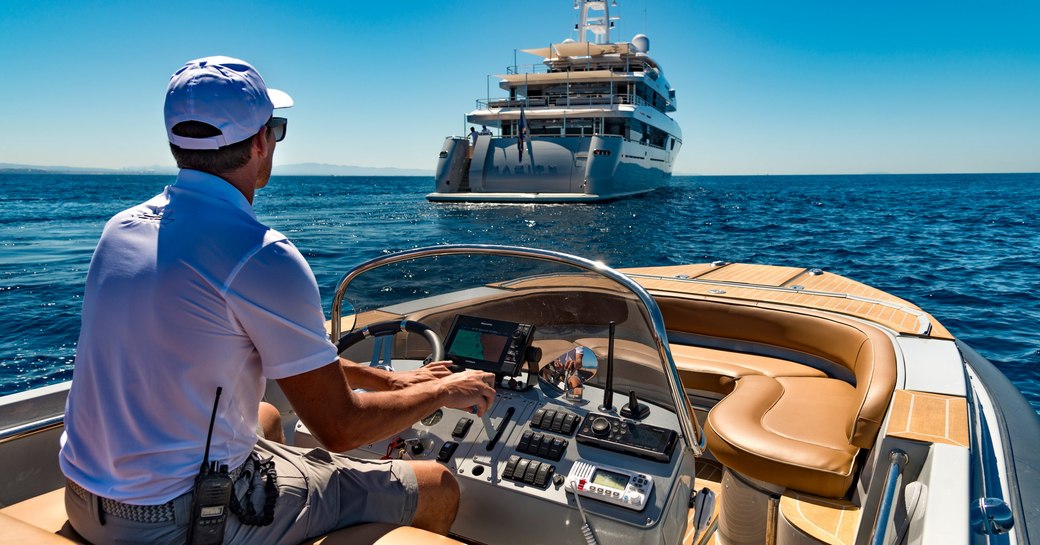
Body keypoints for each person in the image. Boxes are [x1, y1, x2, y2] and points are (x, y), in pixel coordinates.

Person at [59, 56, 496, 545]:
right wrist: (440, 391)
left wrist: (391, 381)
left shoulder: (120, 230)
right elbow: (340, 428)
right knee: (436, 484)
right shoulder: (260, 256)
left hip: (83, 499)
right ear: (262, 142)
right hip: (179, 521)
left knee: (265, 418)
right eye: (276, 129)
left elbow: (264, 357)